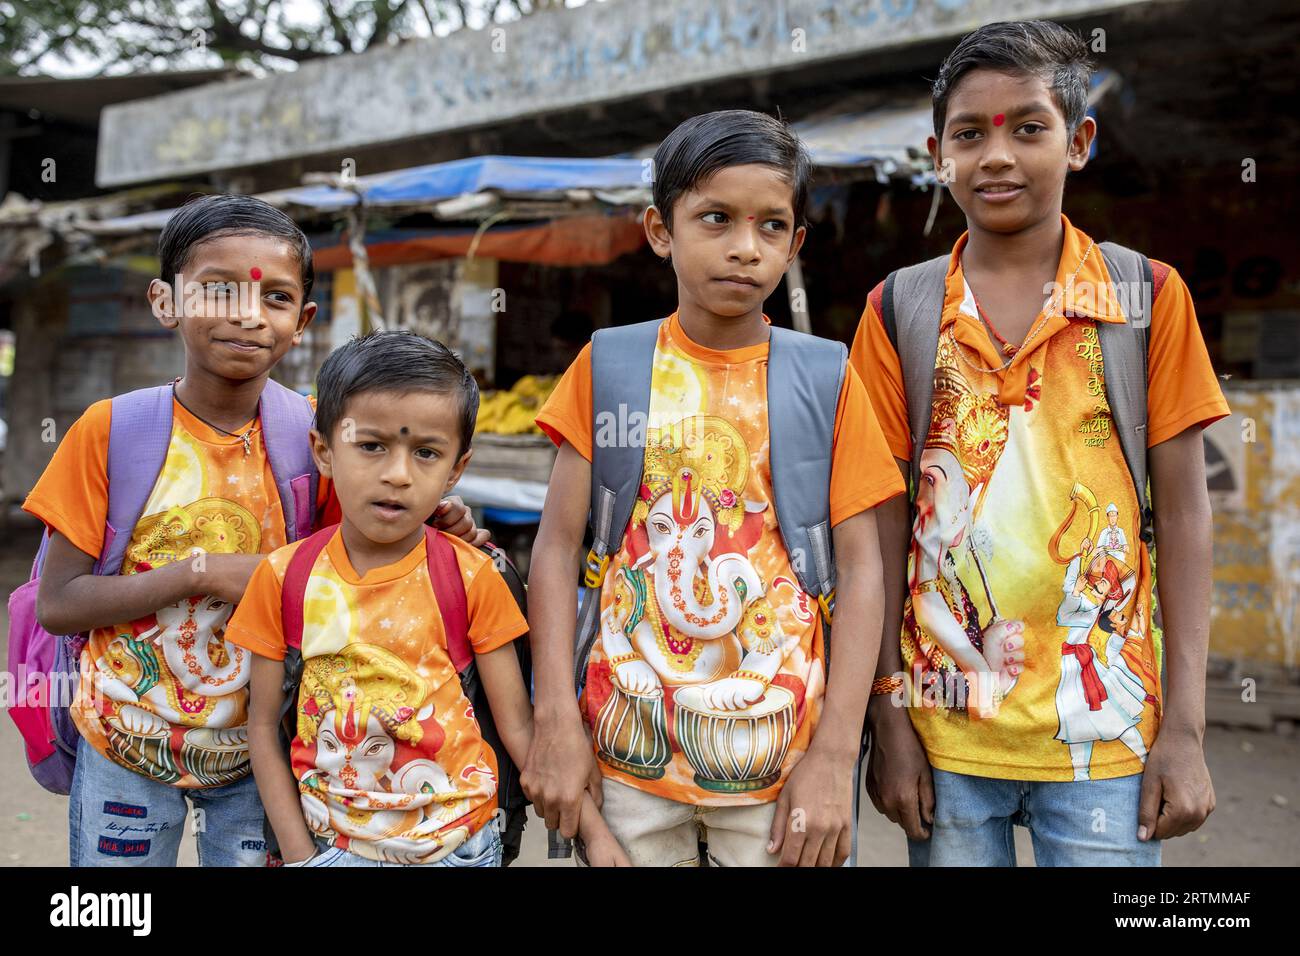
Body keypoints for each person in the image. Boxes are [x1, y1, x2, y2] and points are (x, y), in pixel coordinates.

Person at [851, 20, 1227, 866]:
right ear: (936, 153)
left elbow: (1187, 516)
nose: (997, 157)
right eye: (968, 134)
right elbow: (873, 528)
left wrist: (1188, 729)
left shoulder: (1147, 297)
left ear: (1080, 141)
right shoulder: (898, 311)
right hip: (945, 730)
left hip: (1107, 734)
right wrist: (888, 712)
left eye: (1029, 127)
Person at [24, 195, 481, 866]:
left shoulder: (323, 440)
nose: (246, 314)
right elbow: (58, 604)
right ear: (165, 301)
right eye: (217, 290)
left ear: (302, 322)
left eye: (274, 298)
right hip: (124, 739)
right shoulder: (111, 431)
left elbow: (358, 577)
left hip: (259, 750)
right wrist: (198, 574)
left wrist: (435, 523)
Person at [525, 109, 905, 866]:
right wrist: (555, 722)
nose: (744, 247)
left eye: (771, 227)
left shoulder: (825, 377)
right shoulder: (611, 367)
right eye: (716, 219)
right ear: (660, 230)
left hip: (781, 764)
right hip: (624, 750)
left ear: (796, 243)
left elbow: (864, 570)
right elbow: (558, 549)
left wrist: (834, 755)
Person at [226, 330, 628, 866]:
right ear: (324, 450)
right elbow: (260, 729)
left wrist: (595, 836)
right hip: (333, 847)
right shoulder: (283, 578)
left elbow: (519, 728)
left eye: (426, 453)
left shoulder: (470, 576)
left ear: (456, 469)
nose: (397, 474)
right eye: (370, 446)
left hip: (461, 846)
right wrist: (301, 856)